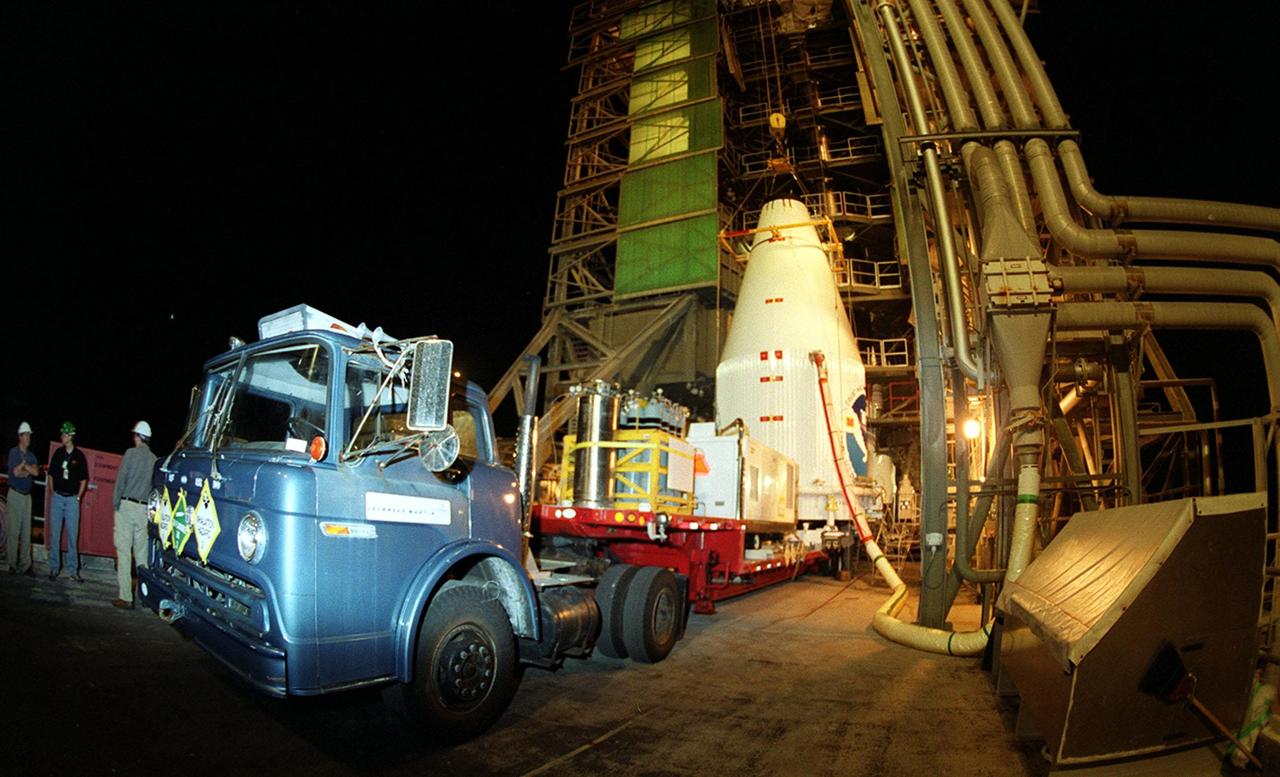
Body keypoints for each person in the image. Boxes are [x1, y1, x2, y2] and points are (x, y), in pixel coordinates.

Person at [111, 421, 156, 609]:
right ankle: (145, 595)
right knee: (142, 555)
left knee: (124, 552)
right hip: (143, 509)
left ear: (137, 436)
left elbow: (121, 480)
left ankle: (126, 597)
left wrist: (115, 503)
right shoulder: (154, 459)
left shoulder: (130, 454)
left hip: (127, 506)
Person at [47, 421, 88, 582]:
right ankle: (54, 568)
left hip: (71, 501)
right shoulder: (58, 453)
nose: (61, 437)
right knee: (55, 535)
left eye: (64, 435)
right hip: (57, 498)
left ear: (70, 436)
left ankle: (73, 570)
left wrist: (78, 497)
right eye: (62, 434)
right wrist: (52, 492)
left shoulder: (79, 456)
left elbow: (84, 479)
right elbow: (50, 474)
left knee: (72, 536)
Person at [6, 422, 38, 575]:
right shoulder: (13, 453)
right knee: (13, 530)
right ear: (20, 436)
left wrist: (23, 467)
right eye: (26, 435)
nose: (29, 438)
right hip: (15, 494)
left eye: (29, 435)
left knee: (26, 531)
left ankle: (26, 564)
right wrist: (26, 469)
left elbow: (36, 472)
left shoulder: (31, 455)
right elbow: (16, 473)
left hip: (27, 497)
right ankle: (12, 563)